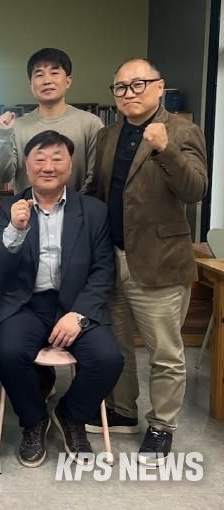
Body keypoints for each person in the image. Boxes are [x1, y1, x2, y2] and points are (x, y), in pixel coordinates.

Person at [85, 58, 208, 466]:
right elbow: (97, 192)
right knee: (116, 344)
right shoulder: (107, 135)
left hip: (159, 261)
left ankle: (162, 426)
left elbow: (195, 190)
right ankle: (123, 410)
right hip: (112, 258)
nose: (129, 93)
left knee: (165, 352)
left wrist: (165, 148)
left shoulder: (181, 131)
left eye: (138, 84)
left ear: (159, 86)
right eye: (120, 87)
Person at [0, 130, 123, 468]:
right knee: (9, 354)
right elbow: (0, 269)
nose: (48, 166)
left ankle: (71, 415)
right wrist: (16, 230)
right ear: (27, 165)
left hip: (76, 305)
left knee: (108, 359)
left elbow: (103, 270)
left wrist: (78, 314)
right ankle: (34, 420)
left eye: (57, 158)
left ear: (70, 163)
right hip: (26, 305)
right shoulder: (8, 208)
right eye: (40, 159)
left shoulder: (93, 211)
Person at [0, 48, 103, 193]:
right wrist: (4, 135)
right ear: (31, 85)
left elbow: (96, 177)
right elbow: (1, 177)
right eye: (39, 75)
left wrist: (76, 205)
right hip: (28, 207)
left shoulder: (91, 124)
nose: (47, 81)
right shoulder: (17, 126)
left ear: (68, 81)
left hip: (79, 207)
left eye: (54, 73)